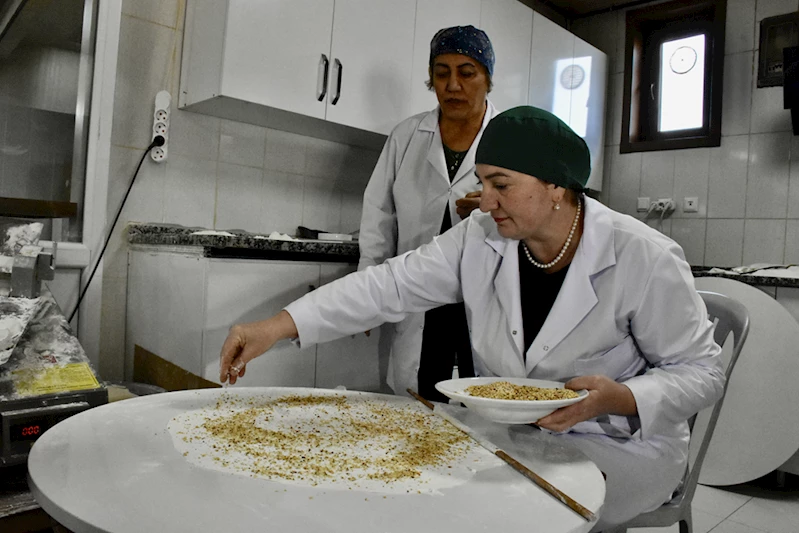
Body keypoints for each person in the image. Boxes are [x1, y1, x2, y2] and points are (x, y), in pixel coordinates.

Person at [218, 106, 725, 531]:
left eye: (500, 184)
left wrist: (621, 397)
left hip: (617, 444)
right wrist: (277, 327)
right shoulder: (481, 238)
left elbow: (703, 373)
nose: (484, 202)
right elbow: (389, 285)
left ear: (555, 186)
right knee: (417, 486)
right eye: (483, 183)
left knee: (510, 511)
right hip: (516, 435)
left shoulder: (644, 256)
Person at [358, 25, 500, 402]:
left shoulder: (508, 139)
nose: (453, 85)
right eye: (441, 73)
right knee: (417, 408)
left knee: (482, 405)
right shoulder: (406, 136)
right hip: (419, 294)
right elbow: (378, 214)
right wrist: (368, 288)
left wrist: (492, 205)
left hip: (485, 297)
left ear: (488, 78)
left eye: (466, 72)